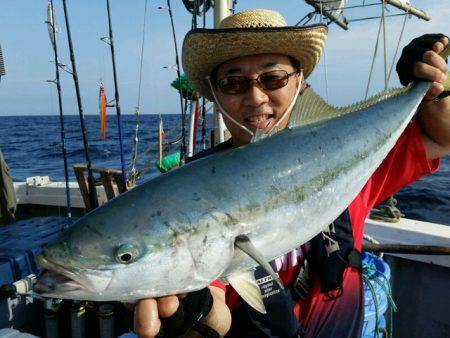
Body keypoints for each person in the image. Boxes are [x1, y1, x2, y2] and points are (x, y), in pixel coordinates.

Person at [131, 9, 450, 338]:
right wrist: (196, 313)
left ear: (300, 82)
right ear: (216, 94)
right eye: (234, 83)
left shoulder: (347, 150)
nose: (255, 97)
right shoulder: (191, 197)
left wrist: (434, 89)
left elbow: (442, 136)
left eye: (273, 79)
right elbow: (216, 309)